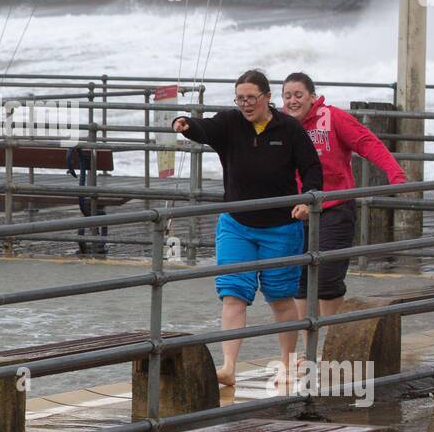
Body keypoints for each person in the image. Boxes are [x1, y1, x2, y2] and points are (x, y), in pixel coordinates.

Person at [172, 70, 323, 389]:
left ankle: (285, 363)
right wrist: (186, 123)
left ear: (267, 97)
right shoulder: (230, 123)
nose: (245, 104)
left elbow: (311, 168)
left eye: (251, 98)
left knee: (281, 298)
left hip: (281, 226)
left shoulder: (290, 129)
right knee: (232, 295)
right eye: (240, 98)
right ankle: (228, 367)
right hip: (236, 223)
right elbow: (205, 128)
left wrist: (307, 201)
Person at [281, 73, 406, 332]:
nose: (293, 101)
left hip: (334, 207)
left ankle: (332, 342)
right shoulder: (281, 124)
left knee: (327, 280)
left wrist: (395, 173)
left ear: (312, 97)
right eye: (287, 96)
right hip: (295, 209)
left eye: (298, 95)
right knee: (300, 281)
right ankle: (307, 349)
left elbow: (366, 143)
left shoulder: (333, 117)